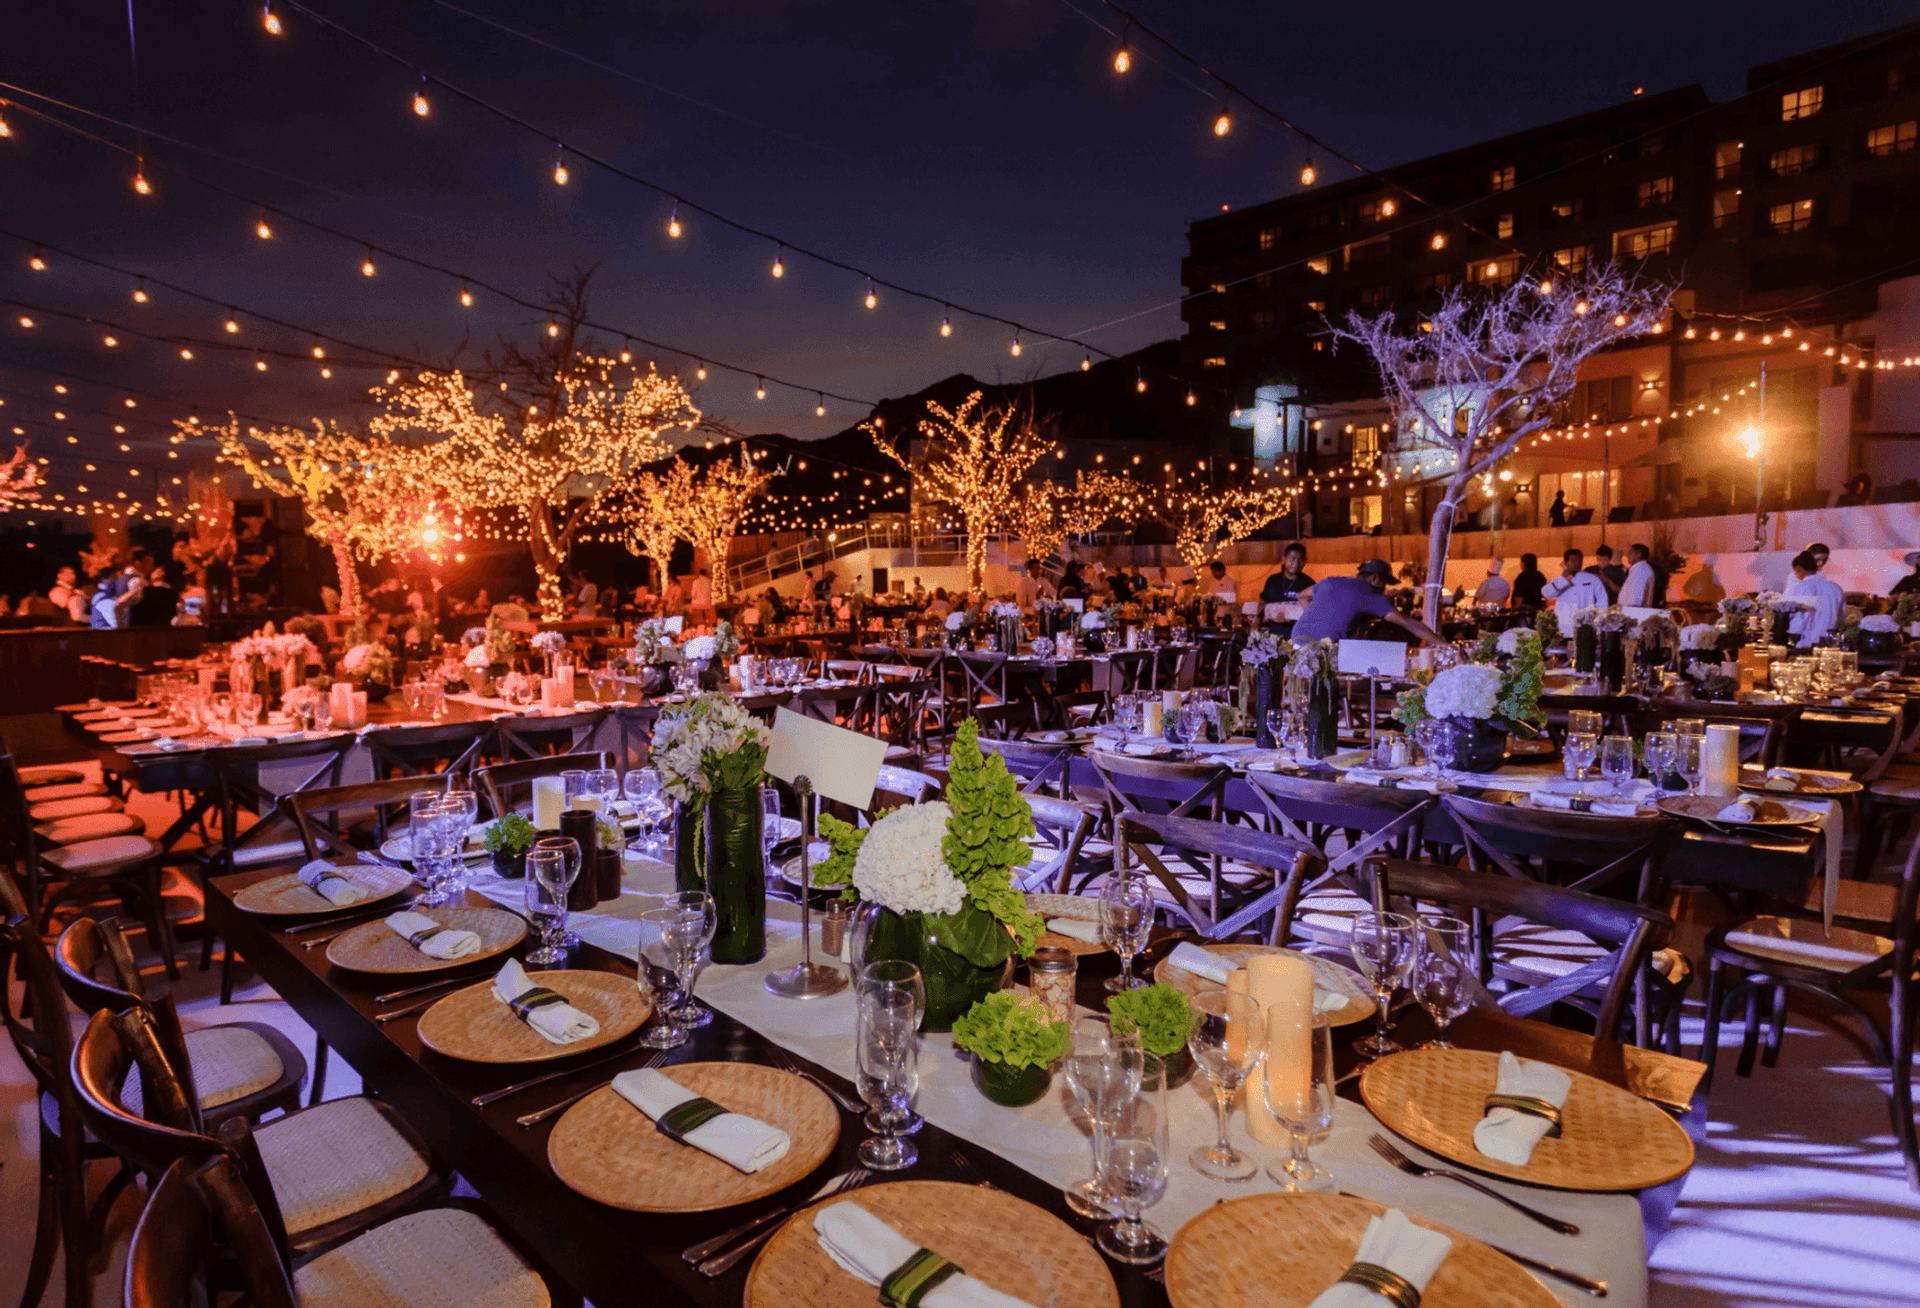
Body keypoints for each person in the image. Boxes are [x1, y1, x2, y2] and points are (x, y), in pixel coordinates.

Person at [1292, 559, 1446, 645]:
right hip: (1322, 648)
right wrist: (1442, 642)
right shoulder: (1372, 596)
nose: (1384, 588)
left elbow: (1301, 596)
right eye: (1385, 583)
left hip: (1296, 638)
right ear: (1375, 578)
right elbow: (1408, 623)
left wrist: (1316, 618)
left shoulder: (1330, 581)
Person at [1781, 550, 1845, 647]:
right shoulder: (1836, 588)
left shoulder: (1797, 588)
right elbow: (1841, 617)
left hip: (1803, 644)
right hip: (1830, 644)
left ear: (1798, 569)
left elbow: (1782, 613)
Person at [1543, 548, 1609, 636]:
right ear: (1565, 563)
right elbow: (1546, 593)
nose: (1577, 563)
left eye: (1579, 560)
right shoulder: (1558, 581)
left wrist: (1598, 627)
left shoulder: (1592, 579)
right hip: (1563, 629)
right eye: (1573, 560)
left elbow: (1602, 602)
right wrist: (1564, 577)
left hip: (1586, 628)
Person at [1258, 544, 1314, 634]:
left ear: (1305, 561)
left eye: (1300, 560)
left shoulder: (1309, 584)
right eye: (1292, 559)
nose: (1296, 563)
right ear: (1284, 560)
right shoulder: (1272, 580)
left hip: (1298, 637)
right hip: (1274, 637)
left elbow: (1313, 612)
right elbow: (1262, 603)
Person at [1617, 543, 1656, 607]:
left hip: (1633, 612)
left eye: (1630, 553)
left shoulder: (1641, 570)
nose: (1627, 555)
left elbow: (1637, 595)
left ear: (1638, 554)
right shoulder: (1639, 568)